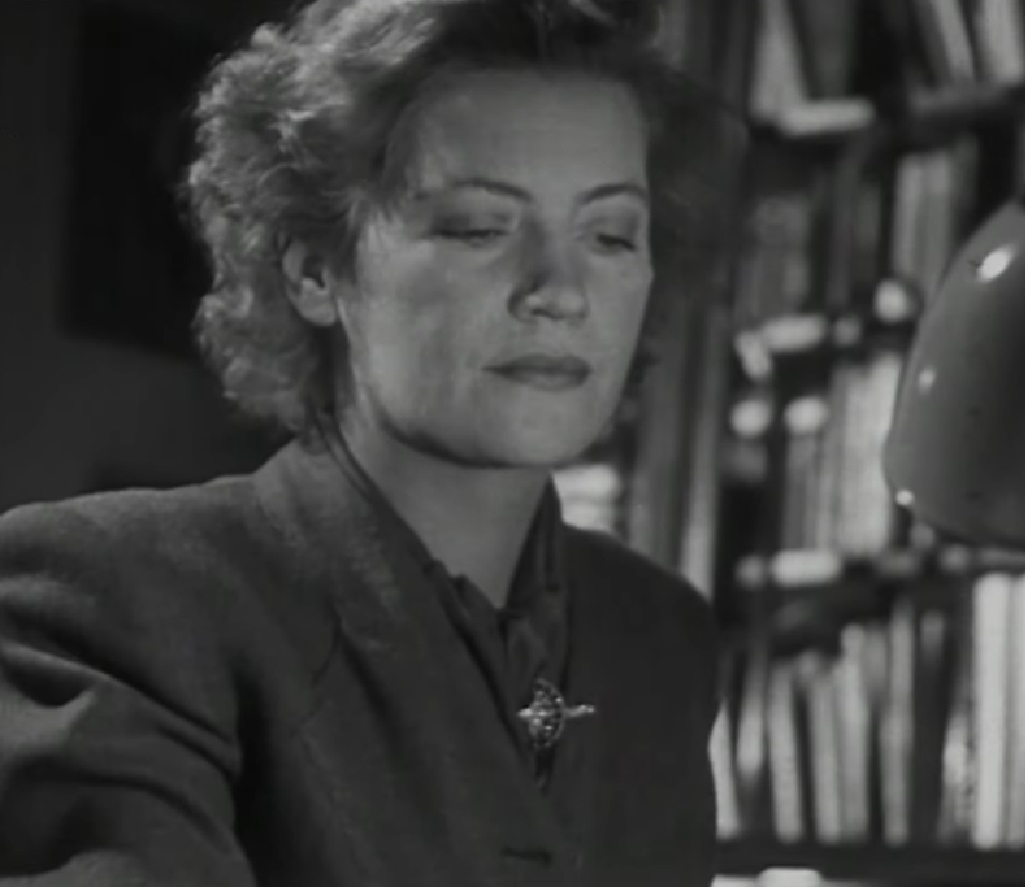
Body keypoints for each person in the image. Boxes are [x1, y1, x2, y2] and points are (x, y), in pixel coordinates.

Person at [0, 0, 743, 883]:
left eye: (610, 234)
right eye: (479, 227)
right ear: (317, 268)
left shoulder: (659, 637)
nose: (559, 290)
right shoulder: (104, 597)